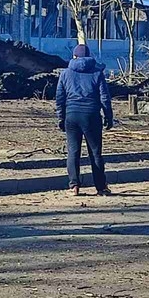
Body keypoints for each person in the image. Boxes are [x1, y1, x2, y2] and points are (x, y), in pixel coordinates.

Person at [56, 44, 114, 196]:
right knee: (95, 153)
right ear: (89, 57)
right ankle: (101, 187)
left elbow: (60, 98)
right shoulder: (97, 73)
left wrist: (61, 117)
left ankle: (74, 186)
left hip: (72, 115)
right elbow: (105, 98)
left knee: (73, 152)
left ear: (74, 56)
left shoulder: (65, 73)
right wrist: (109, 117)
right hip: (92, 116)